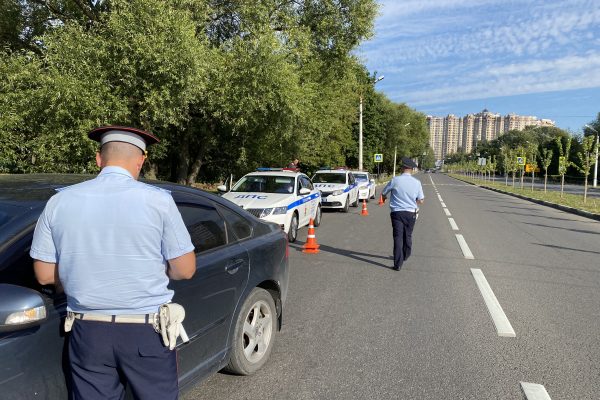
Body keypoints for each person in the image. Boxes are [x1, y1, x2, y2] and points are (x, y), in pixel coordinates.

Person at [30, 126, 196, 400]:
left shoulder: (58, 202)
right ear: (141, 161)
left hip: (88, 331)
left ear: (99, 159)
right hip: (147, 331)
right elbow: (185, 269)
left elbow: (45, 275)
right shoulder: (159, 201)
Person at [381, 157, 424, 271]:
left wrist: (384, 198)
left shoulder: (395, 180)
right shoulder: (417, 182)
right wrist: (412, 201)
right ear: (411, 169)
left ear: (402, 168)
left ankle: (398, 264)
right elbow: (421, 200)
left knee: (398, 237)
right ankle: (406, 255)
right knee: (408, 235)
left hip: (397, 213)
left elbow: (384, 192)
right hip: (411, 213)